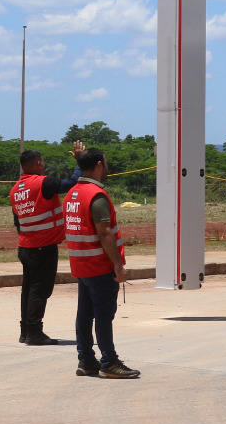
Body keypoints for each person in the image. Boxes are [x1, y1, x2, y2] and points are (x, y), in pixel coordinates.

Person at [62, 147, 139, 378]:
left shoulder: (72, 194)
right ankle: (109, 362)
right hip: (99, 265)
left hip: (81, 265)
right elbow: (105, 233)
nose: (107, 168)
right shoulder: (95, 195)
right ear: (98, 165)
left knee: (84, 314)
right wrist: (117, 264)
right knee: (104, 316)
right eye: (105, 163)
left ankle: (86, 361)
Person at [9, 141, 85, 345]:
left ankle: (26, 331)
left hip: (26, 246)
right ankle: (34, 333)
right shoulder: (43, 183)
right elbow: (73, 182)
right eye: (42, 162)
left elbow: (18, 221)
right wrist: (79, 161)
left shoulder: (16, 189)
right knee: (40, 291)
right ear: (39, 163)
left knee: (28, 289)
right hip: (42, 247)